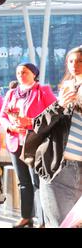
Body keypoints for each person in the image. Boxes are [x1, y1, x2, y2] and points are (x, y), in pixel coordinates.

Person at [24, 46, 82, 227]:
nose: (75, 65)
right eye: (71, 61)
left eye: (80, 61)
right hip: (57, 167)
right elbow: (39, 125)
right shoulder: (66, 90)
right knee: (60, 224)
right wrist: (60, 105)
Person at [0, 62, 56, 228]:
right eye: (18, 72)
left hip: (36, 142)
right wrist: (10, 126)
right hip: (15, 142)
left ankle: (43, 220)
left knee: (38, 182)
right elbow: (3, 115)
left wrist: (30, 124)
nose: (20, 75)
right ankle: (26, 216)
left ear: (34, 74)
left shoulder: (43, 91)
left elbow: (54, 115)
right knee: (23, 181)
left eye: (24, 72)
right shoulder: (11, 93)